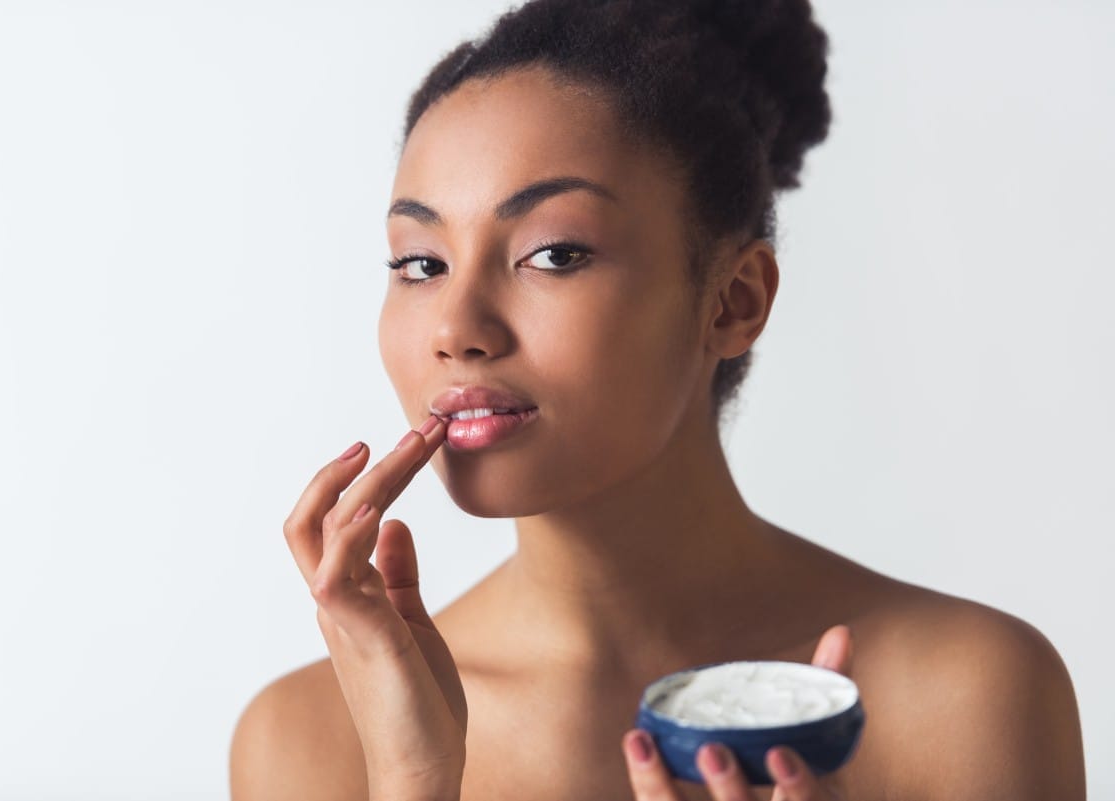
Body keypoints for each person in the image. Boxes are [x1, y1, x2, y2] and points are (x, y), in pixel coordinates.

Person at [230, 1, 1087, 798]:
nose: (456, 327)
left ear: (733, 301)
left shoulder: (970, 697)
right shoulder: (309, 739)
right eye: (421, 263)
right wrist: (412, 775)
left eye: (554, 254)